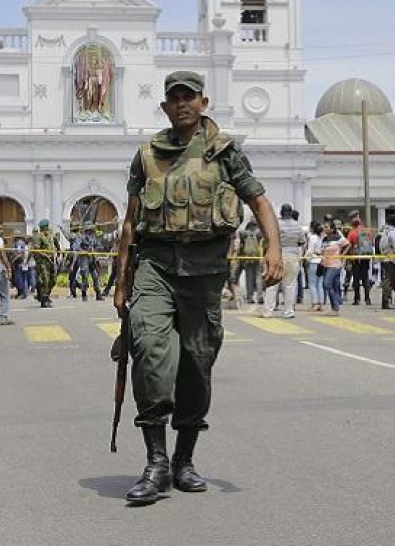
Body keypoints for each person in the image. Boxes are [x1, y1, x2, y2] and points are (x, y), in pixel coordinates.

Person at [113, 70, 283, 505]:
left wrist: (273, 250)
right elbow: (130, 223)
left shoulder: (225, 152)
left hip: (205, 272)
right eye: (175, 99)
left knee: (196, 364)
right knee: (150, 351)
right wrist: (121, 282)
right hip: (155, 265)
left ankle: (184, 460)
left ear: (203, 102)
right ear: (166, 106)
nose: (182, 104)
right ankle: (155, 463)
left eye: (189, 97)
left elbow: (259, 202)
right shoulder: (147, 155)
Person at [262, 203, 305, 319]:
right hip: (292, 256)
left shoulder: (276, 225)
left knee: (272, 284)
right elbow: (302, 241)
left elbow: (268, 239)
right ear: (291, 213)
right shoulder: (297, 225)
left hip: (277, 256)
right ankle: (288, 312)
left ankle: (268, 311)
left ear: (281, 212)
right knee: (290, 285)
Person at [320, 222, 350, 314]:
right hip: (325, 264)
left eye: (326, 227)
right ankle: (334, 308)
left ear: (332, 229)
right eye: (324, 227)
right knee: (333, 286)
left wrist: (342, 254)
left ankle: (336, 305)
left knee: (327, 284)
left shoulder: (338, 238)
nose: (324, 229)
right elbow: (323, 251)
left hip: (335, 265)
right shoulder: (324, 239)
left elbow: (348, 244)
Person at [346, 212, 374, 305]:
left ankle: (357, 299)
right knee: (365, 277)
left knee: (356, 278)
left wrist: (346, 256)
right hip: (366, 257)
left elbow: (349, 245)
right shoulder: (368, 232)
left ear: (353, 224)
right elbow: (371, 243)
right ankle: (367, 299)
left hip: (356, 258)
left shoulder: (352, 233)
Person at [33, 219, 56, 307]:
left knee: (53, 280)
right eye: (45, 227)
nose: (47, 228)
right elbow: (36, 250)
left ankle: (46, 296)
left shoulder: (49, 236)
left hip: (50, 261)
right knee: (45, 281)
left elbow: (53, 247)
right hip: (42, 262)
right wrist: (46, 255)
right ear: (42, 228)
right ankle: (44, 300)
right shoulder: (38, 237)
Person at [305, 221, 325, 312]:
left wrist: (306, 259)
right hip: (321, 261)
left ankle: (314, 303)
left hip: (313, 261)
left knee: (312, 284)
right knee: (320, 284)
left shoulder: (312, 237)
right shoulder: (321, 237)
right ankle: (320, 303)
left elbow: (310, 250)